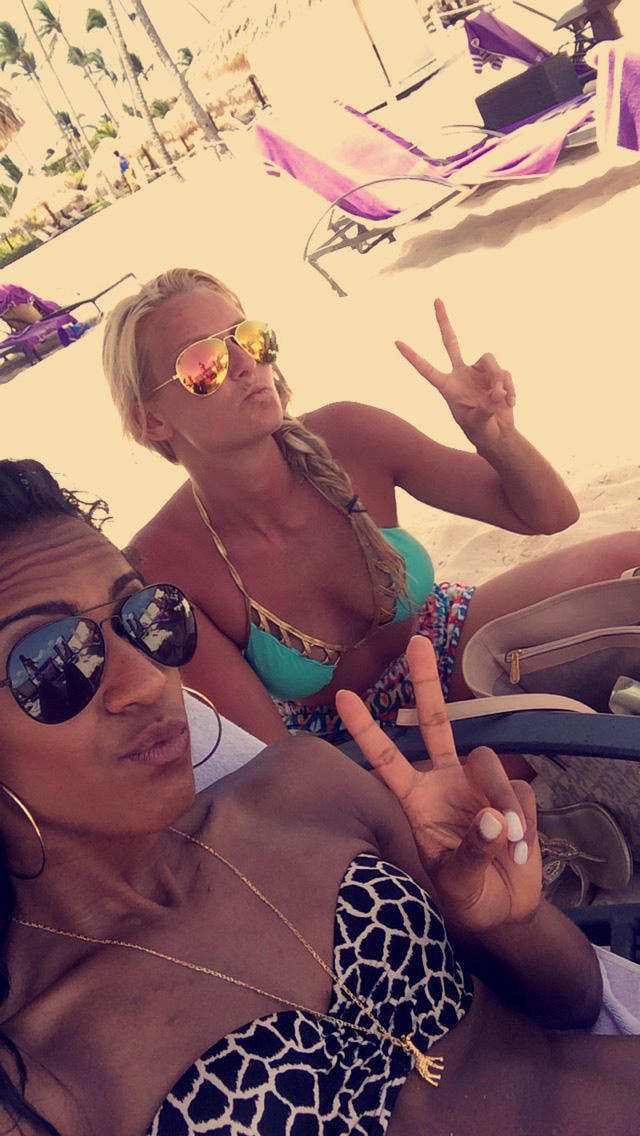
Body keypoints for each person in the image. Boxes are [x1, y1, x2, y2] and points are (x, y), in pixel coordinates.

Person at [0, 457, 639, 1136]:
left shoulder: (302, 789)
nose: (147, 681)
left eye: (145, 616)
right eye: (55, 661)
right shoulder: (40, 1074)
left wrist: (507, 922)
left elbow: (578, 1004)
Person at [102, 269, 640, 747]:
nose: (245, 364)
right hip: (350, 741)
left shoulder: (348, 434)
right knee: (507, 771)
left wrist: (497, 438)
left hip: (446, 640)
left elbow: (549, 516)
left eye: (249, 337)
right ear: (151, 420)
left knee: (630, 558)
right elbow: (273, 756)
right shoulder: (162, 568)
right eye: (204, 363)